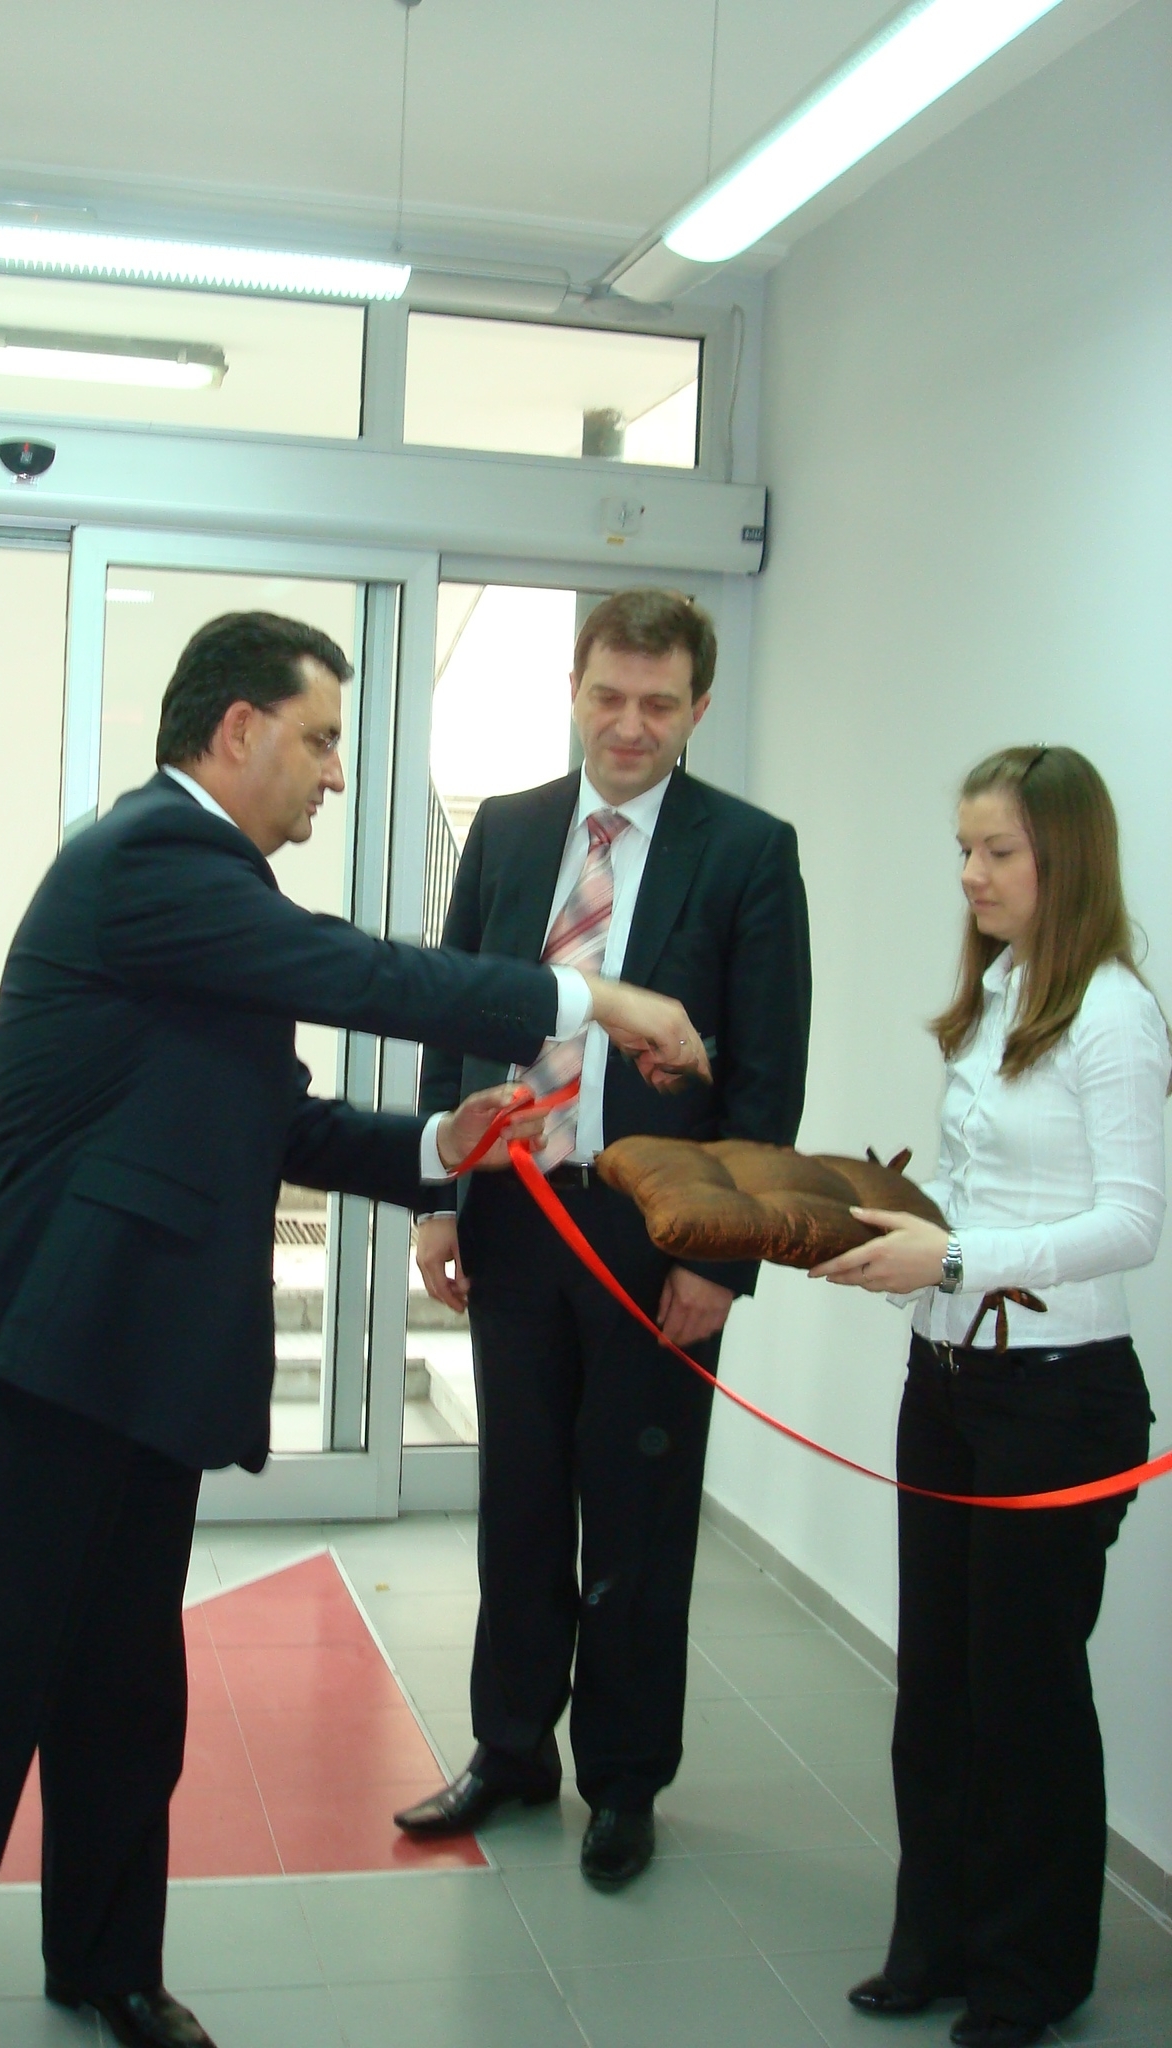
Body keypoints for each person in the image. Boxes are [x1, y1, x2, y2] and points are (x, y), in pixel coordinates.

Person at [0, 610, 709, 2048]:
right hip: (35, 1351)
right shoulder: (153, 860)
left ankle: (106, 1967)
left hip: (133, 1361)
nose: (335, 773)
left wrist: (441, 1142)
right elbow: (363, 974)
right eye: (320, 739)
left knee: (126, 1693)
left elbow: (276, 1117)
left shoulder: (204, 893)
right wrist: (593, 996)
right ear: (237, 729)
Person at [396, 588, 812, 1887]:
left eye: (658, 704)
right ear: (573, 690)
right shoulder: (511, 830)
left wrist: (718, 1259)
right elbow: (454, 1017)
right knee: (519, 1505)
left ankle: (625, 1781)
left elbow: (767, 1079)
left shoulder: (748, 852)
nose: (630, 726)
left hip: (656, 1242)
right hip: (517, 1220)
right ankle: (511, 1748)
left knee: (638, 1522)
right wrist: (437, 1198)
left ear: (699, 707)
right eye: (608, 697)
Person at [812, 746, 1168, 2048]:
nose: (970, 874)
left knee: (1024, 1695)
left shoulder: (1114, 1013)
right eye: (963, 849)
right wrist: (898, 1245)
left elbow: (1130, 1224)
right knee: (940, 1687)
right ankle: (937, 1944)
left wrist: (952, 1258)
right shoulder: (1001, 991)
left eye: (997, 851)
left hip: (1059, 1400)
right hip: (951, 1379)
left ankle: (1031, 1976)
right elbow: (981, 1196)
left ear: (1064, 857)